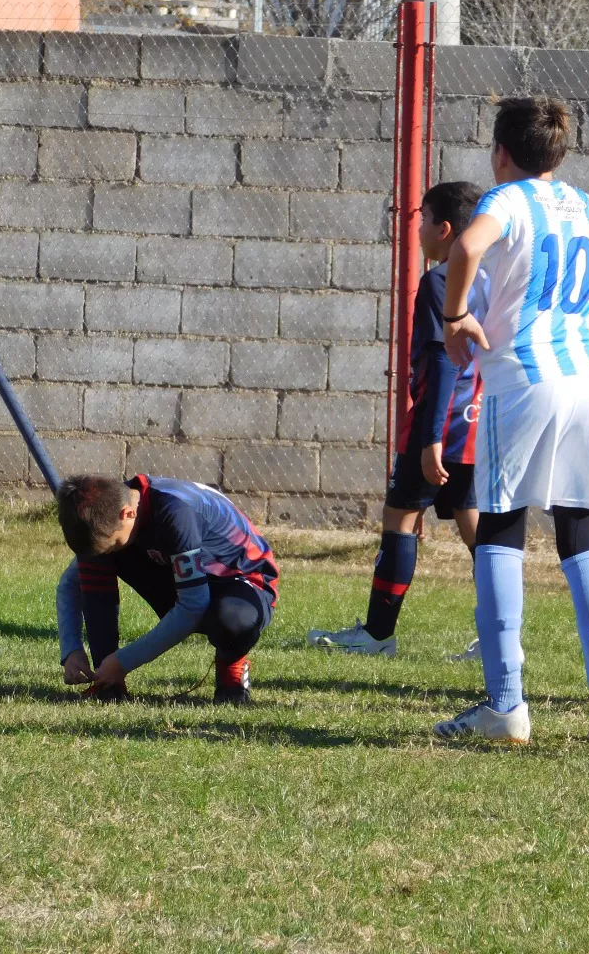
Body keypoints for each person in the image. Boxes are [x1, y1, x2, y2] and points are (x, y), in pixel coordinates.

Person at [431, 96, 589, 745]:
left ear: (500, 153)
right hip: (582, 385)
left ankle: (506, 706)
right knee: (582, 535)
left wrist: (456, 315)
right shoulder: (584, 206)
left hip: (522, 381)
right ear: (560, 153)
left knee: (499, 531)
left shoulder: (507, 201)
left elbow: (465, 247)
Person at [307, 181, 487, 658]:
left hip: (440, 425)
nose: (419, 229)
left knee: (400, 517)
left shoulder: (440, 282)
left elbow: (445, 360)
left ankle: (378, 635)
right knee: (475, 527)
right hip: (478, 427)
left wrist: (428, 440)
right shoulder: (491, 280)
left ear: (444, 229)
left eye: (423, 219)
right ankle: (496, 637)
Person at [55, 473, 278, 705]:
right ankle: (107, 681)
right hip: (181, 574)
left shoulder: (174, 512)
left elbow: (193, 605)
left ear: (128, 514)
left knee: (232, 620)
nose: (109, 550)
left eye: (112, 544)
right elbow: (71, 584)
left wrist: (124, 661)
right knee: (96, 559)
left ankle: (231, 665)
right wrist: (71, 650)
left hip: (241, 580)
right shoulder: (108, 511)